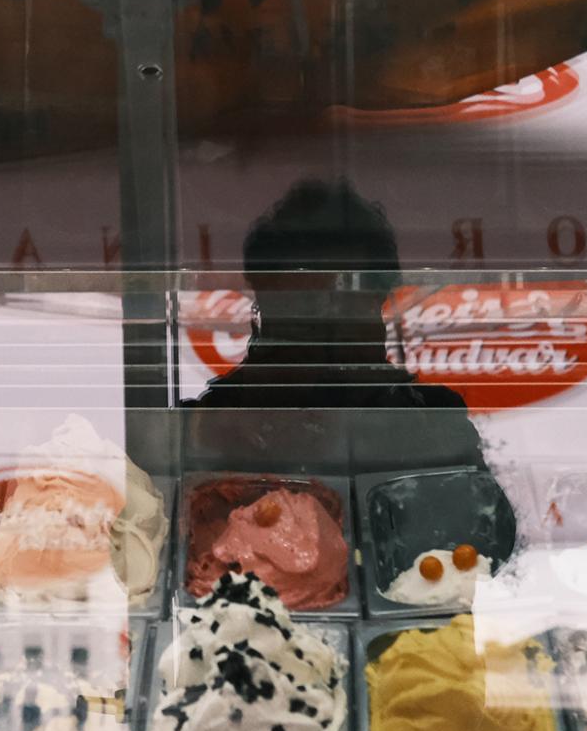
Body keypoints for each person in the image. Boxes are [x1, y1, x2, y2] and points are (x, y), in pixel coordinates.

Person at [183, 178, 518, 564]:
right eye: (303, 311)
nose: (325, 332)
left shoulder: (433, 423)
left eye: (345, 305)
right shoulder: (210, 427)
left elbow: (488, 549)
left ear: (379, 305)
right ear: (263, 304)